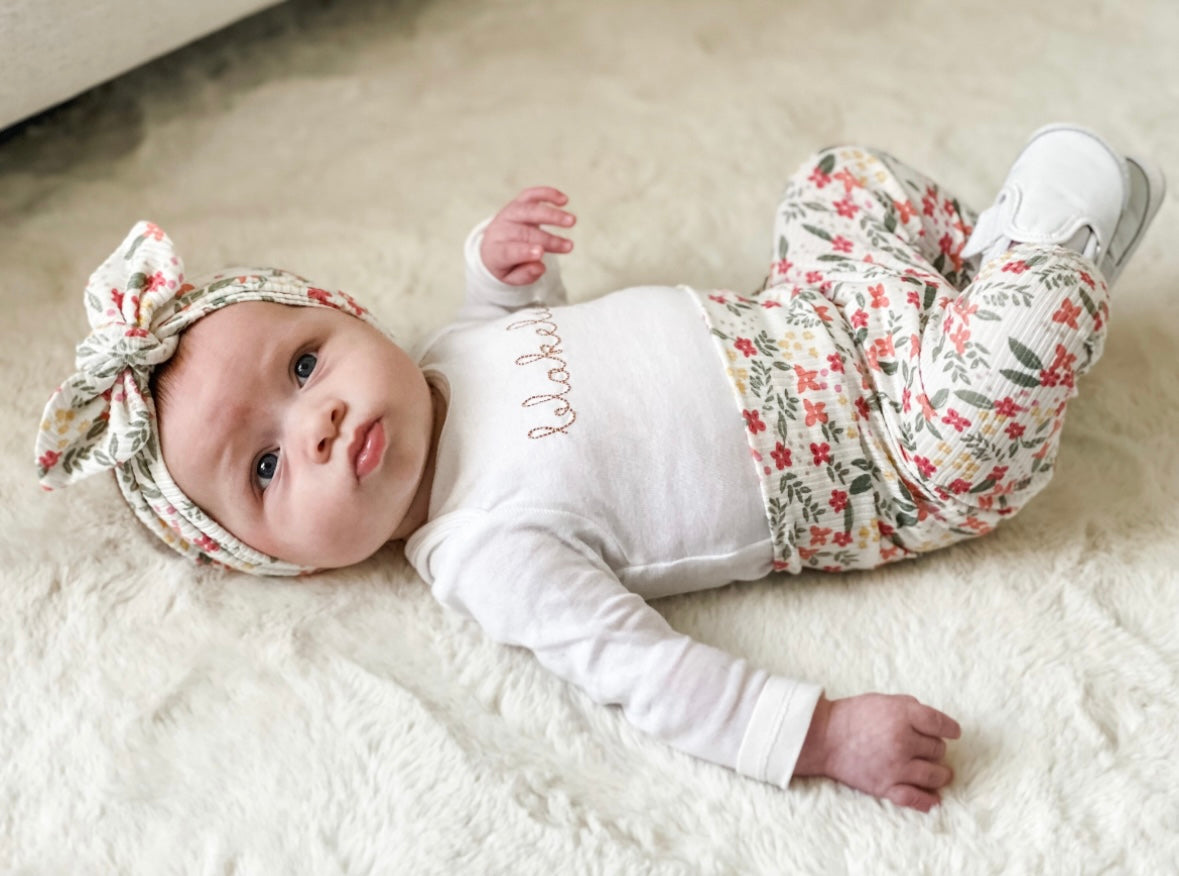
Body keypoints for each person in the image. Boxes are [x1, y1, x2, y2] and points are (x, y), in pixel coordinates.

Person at [35, 125, 1164, 812]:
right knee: (992, 400)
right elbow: (645, 671)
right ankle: (1039, 260)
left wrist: (500, 268)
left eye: (303, 362)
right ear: (279, 562)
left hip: (813, 319)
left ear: (348, 314)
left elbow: (520, 333)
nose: (320, 423)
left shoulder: (449, 352)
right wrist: (818, 737)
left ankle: (993, 266)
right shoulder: (484, 549)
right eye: (270, 466)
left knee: (834, 183)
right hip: (878, 458)